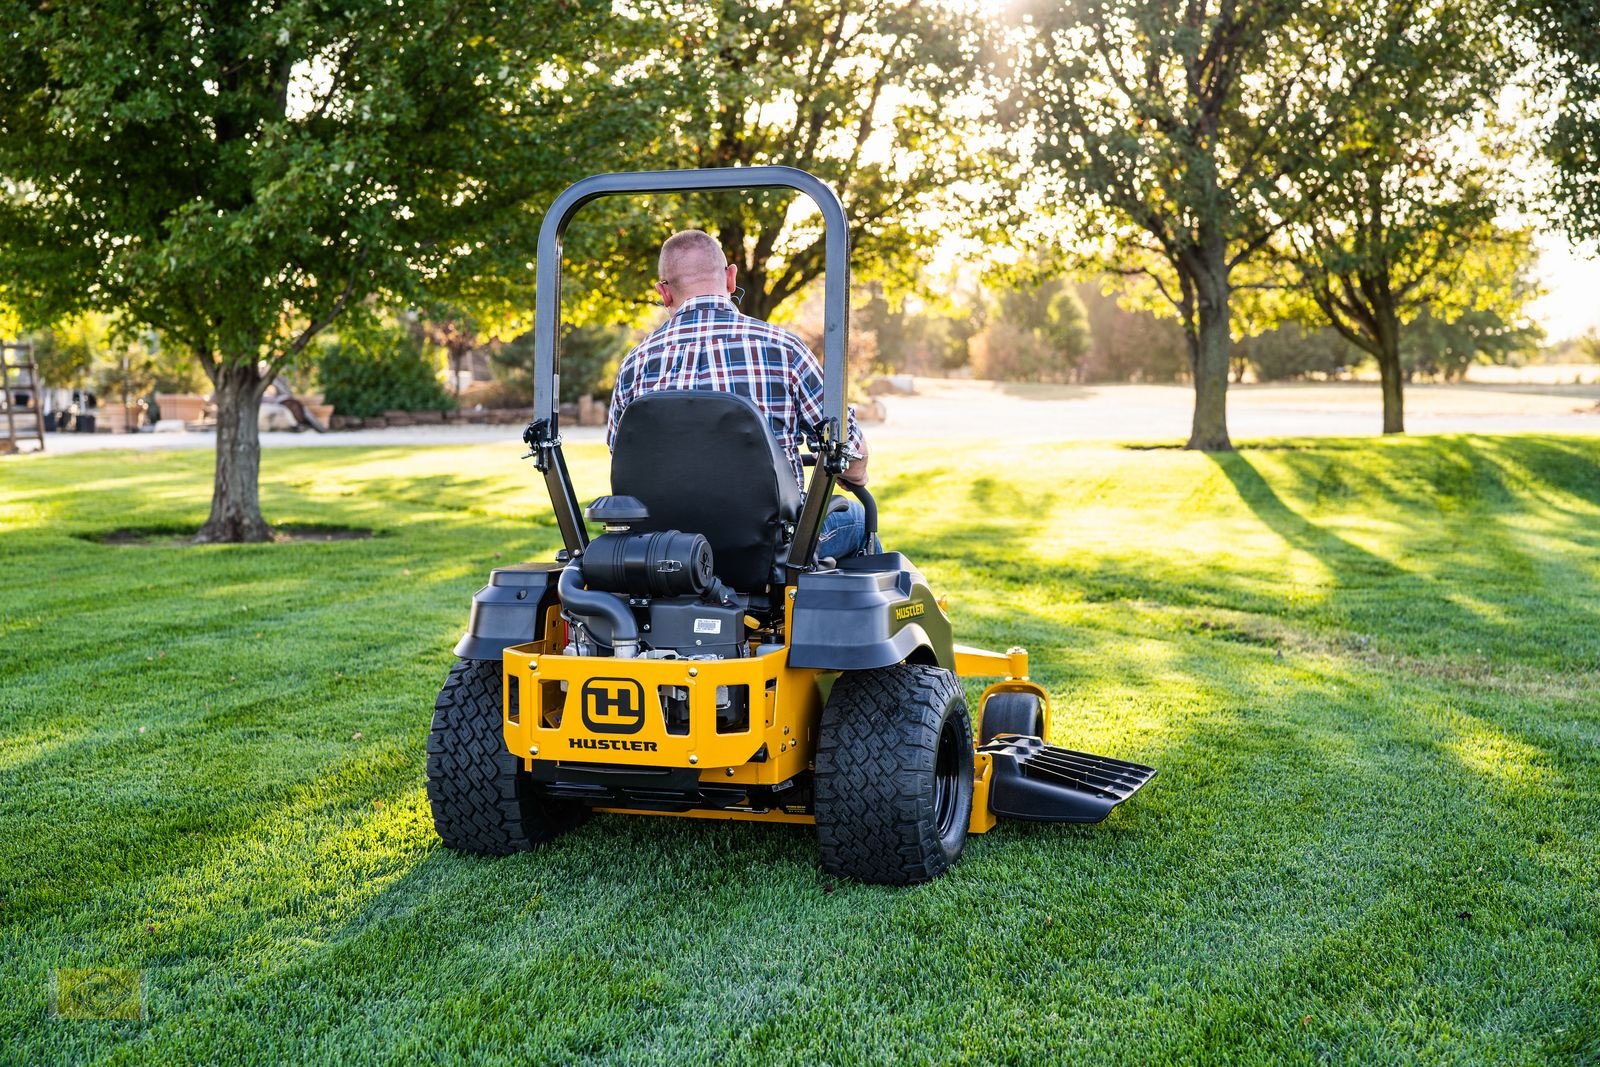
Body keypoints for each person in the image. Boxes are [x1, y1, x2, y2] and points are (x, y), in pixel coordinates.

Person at [606, 229, 873, 559]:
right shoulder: (783, 349)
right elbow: (850, 455)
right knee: (859, 518)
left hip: (664, 548)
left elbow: (623, 457)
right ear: (731, 278)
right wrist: (855, 471)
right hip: (770, 546)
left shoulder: (635, 363)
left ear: (664, 293)